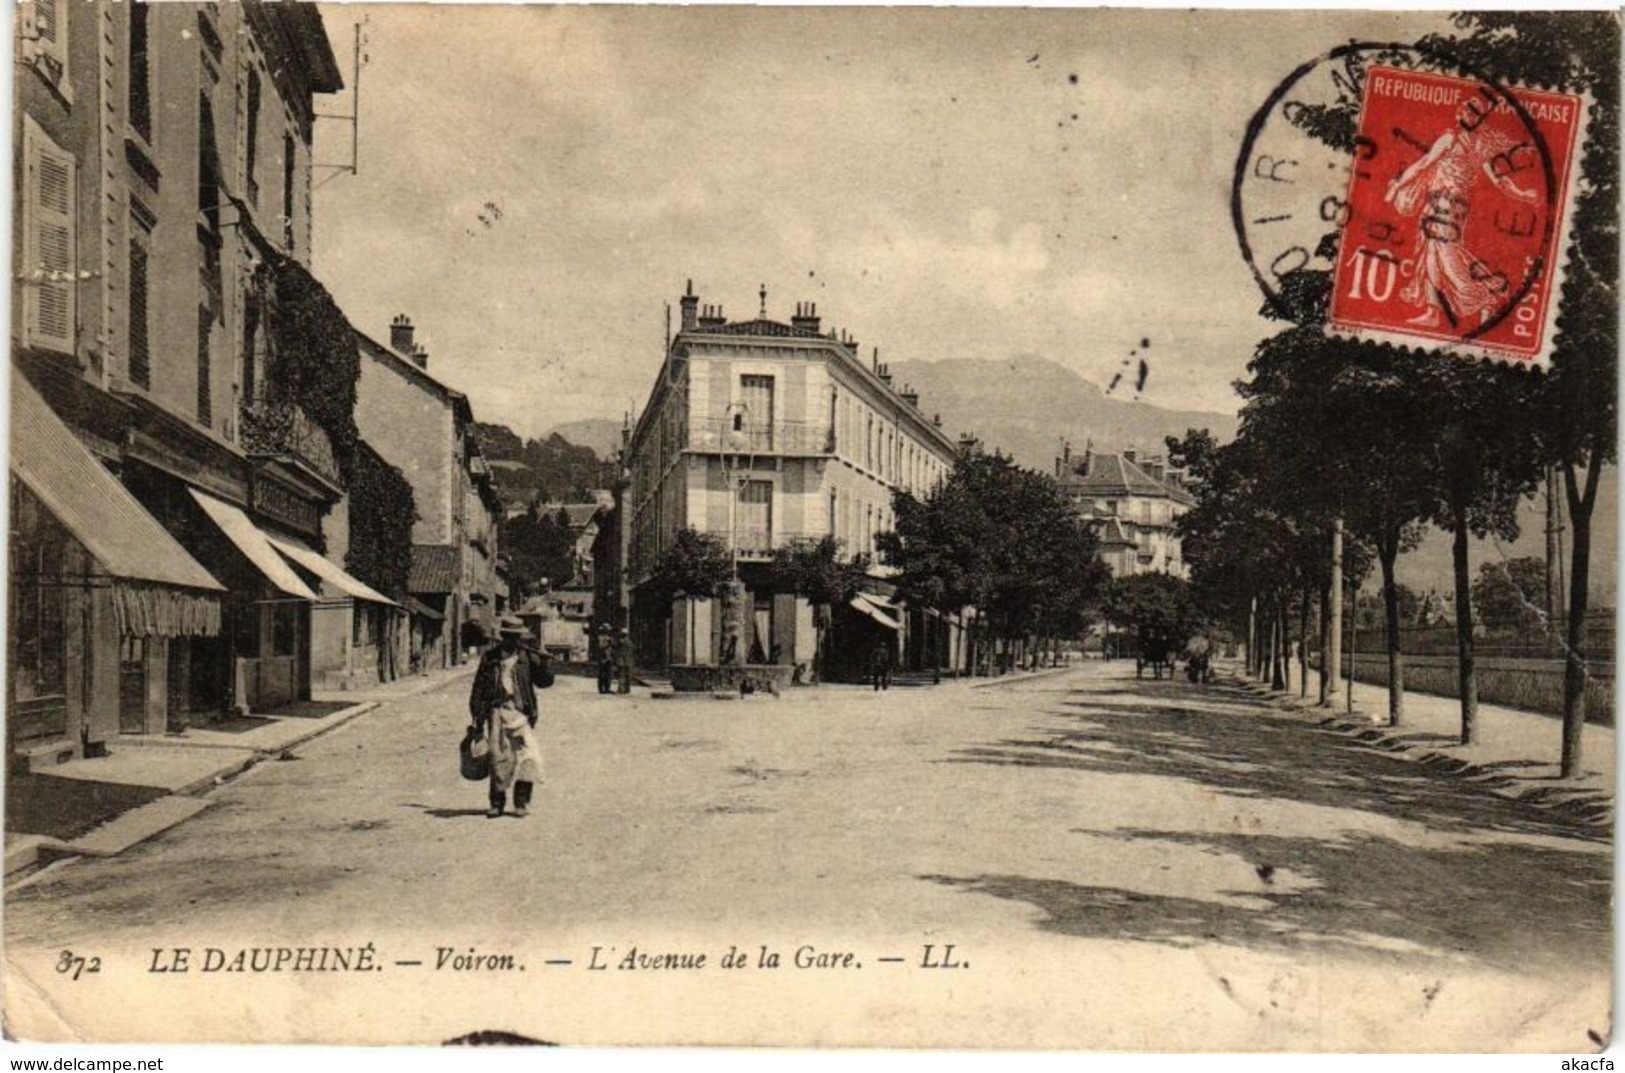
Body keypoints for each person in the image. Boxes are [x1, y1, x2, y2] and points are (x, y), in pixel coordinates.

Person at [469, 615, 552, 818]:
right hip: (497, 711)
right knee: (499, 759)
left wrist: (544, 663)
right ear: (503, 637)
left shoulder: (527, 658)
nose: (514, 641)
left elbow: (544, 682)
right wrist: (477, 716)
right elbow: (479, 687)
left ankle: (521, 803)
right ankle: (497, 803)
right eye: (510, 637)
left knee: (528, 756)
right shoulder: (491, 657)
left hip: (521, 713)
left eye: (517, 637)